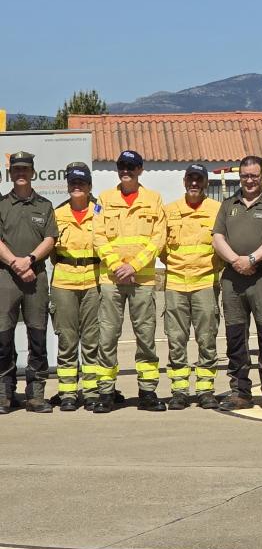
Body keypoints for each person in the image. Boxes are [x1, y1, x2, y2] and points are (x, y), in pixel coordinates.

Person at [92, 150, 167, 413]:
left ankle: (147, 392)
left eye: (131, 167)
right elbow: (98, 236)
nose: (126, 171)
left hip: (142, 280)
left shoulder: (153, 199)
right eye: (122, 166)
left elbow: (158, 238)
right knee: (107, 336)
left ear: (140, 170)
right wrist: (117, 266)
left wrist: (133, 266)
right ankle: (105, 393)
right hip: (111, 279)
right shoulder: (105, 199)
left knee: (145, 337)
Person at [214, 156, 262, 412]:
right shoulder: (228, 204)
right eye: (245, 176)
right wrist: (236, 261)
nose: (250, 180)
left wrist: (252, 259)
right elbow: (218, 237)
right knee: (235, 337)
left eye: (254, 175)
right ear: (239, 177)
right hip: (233, 279)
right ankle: (240, 391)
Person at [0, 152, 58, 414]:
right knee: (3, 337)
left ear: (33, 173)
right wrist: (16, 263)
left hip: (36, 277)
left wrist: (30, 260)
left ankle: (35, 394)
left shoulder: (45, 205)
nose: (21, 173)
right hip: (6, 277)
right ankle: (5, 393)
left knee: (37, 336)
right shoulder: (1, 205)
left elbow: (50, 239)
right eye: (16, 170)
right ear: (10, 174)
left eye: (25, 169)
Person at [162, 164, 221, 410]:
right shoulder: (170, 211)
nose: (194, 183)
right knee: (176, 338)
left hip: (206, 283)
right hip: (176, 283)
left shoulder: (217, 210)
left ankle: (206, 390)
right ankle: (179, 390)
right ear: (184, 182)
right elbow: (161, 247)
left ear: (206, 183)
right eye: (191, 179)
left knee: (207, 338)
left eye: (199, 179)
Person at [50, 162, 101, 411]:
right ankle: (68, 392)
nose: (76, 186)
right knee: (67, 339)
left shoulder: (101, 212)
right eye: (73, 182)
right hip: (64, 282)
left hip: (93, 281)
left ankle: (91, 391)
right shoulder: (57, 214)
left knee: (92, 340)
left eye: (81, 182)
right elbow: (52, 251)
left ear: (89, 186)